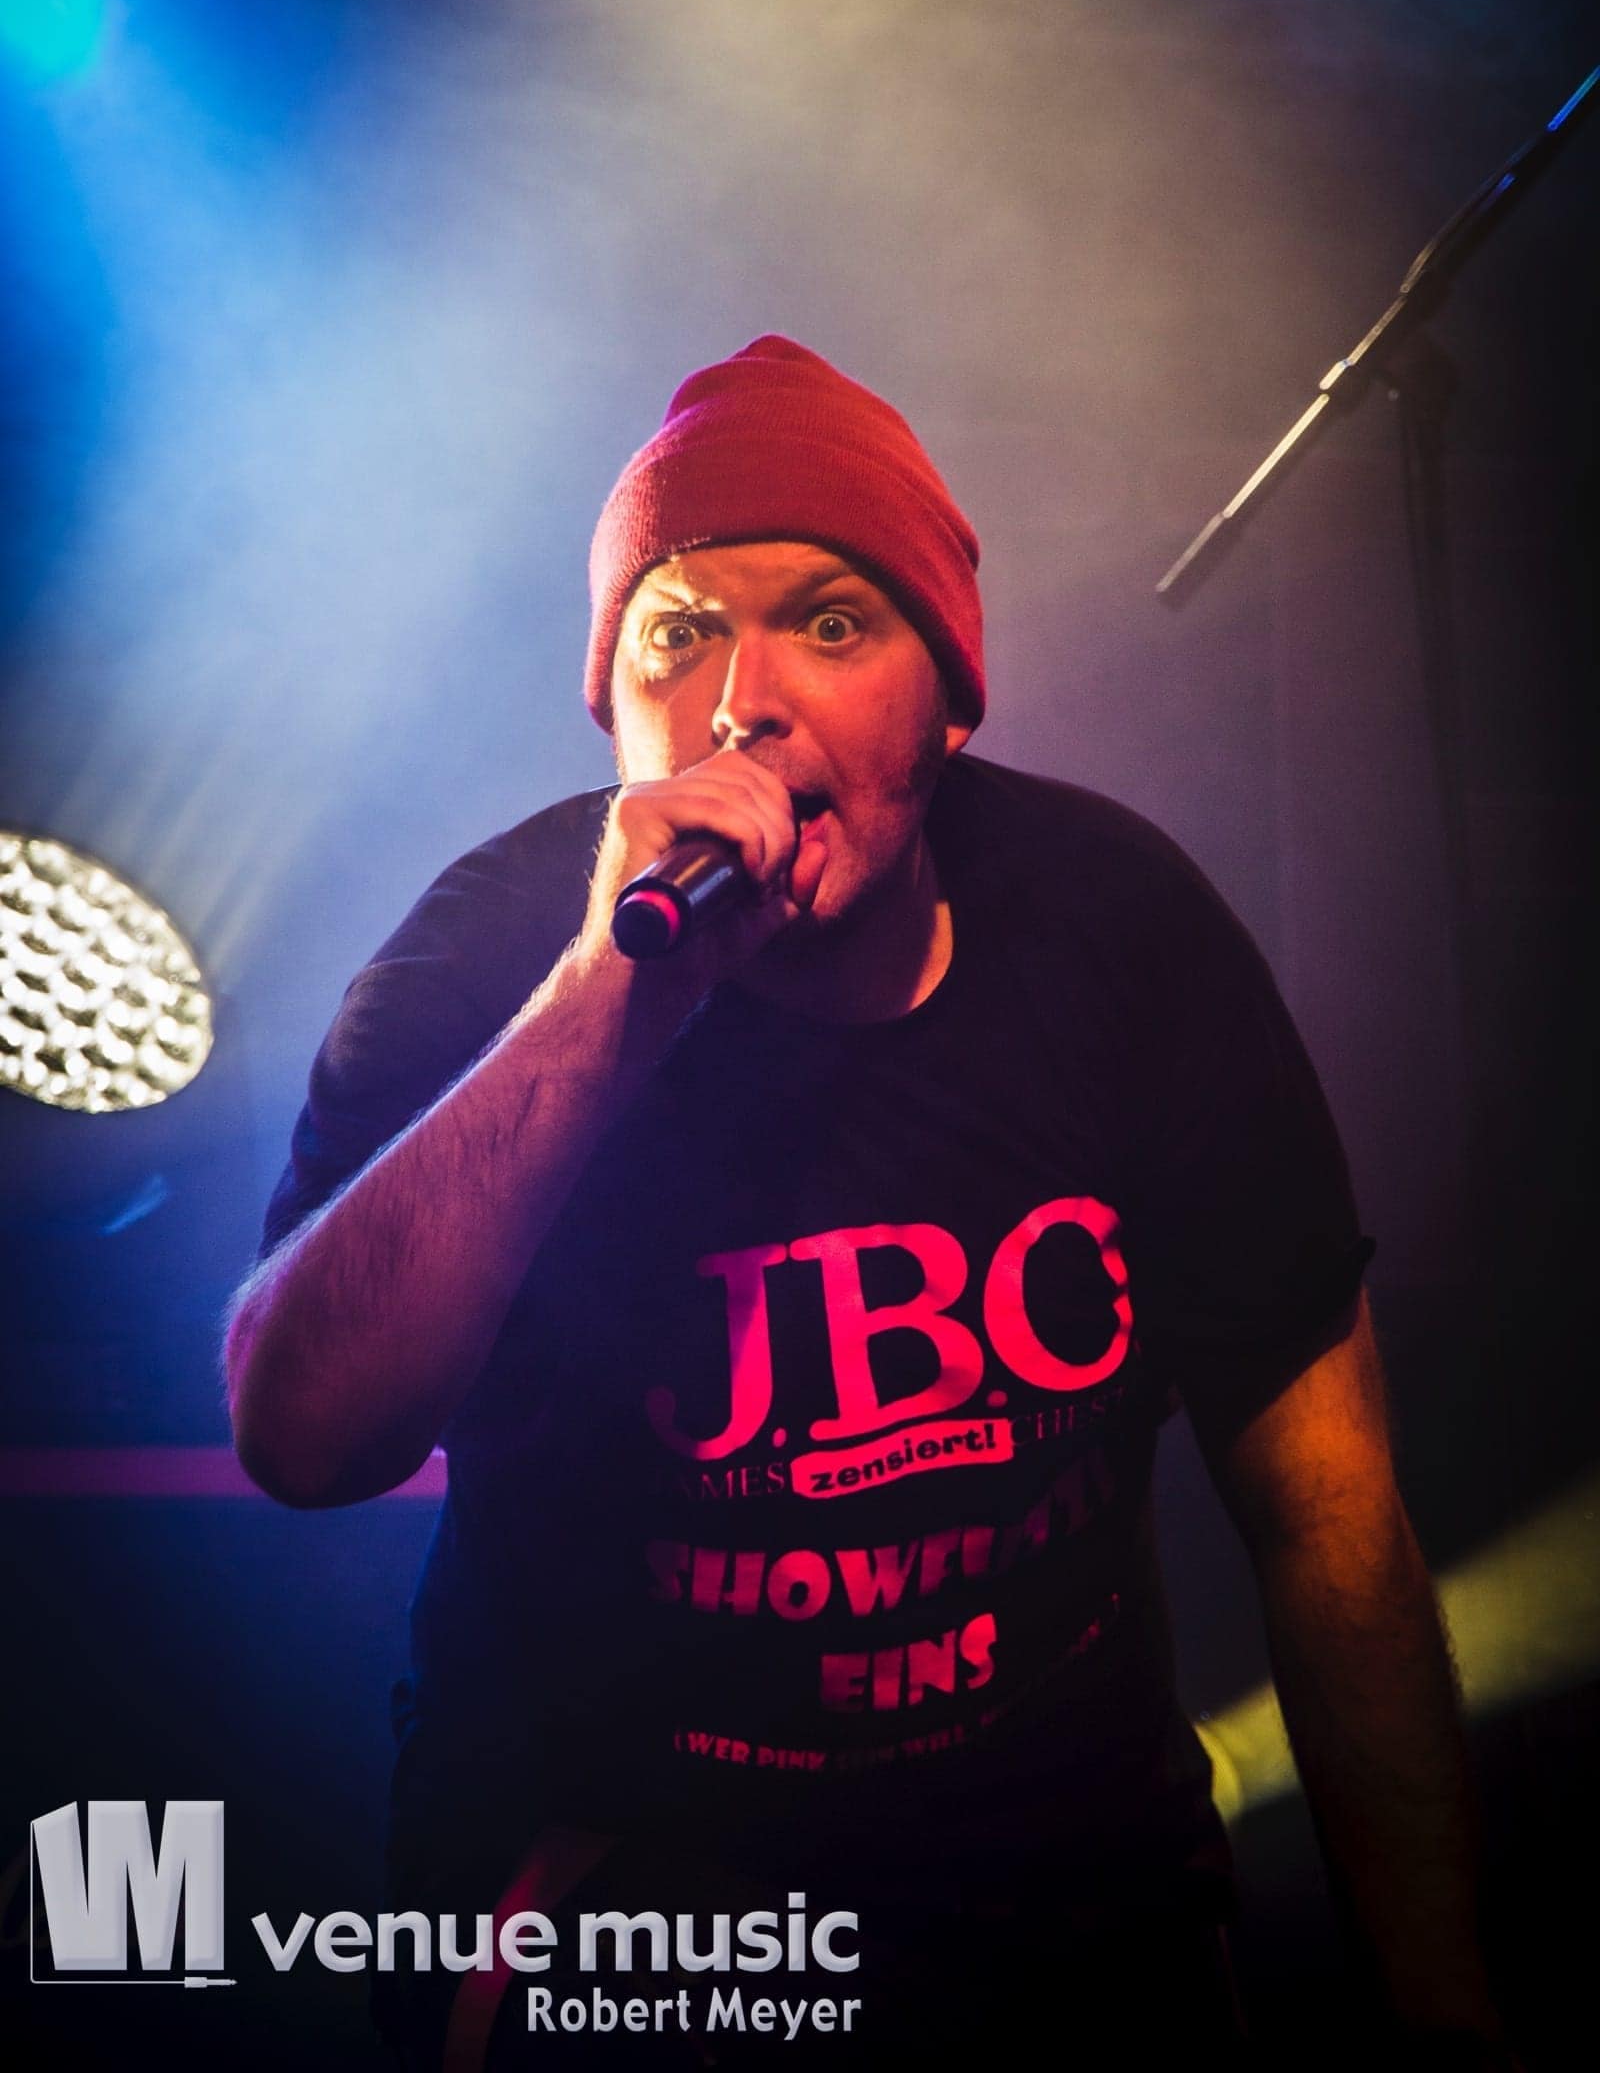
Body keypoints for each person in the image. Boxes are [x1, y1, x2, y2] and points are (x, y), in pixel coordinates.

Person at [227, 336, 1513, 2069]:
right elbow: (301, 1434)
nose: (742, 700)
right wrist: (608, 1001)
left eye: (832, 624)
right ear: (614, 707)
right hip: (626, 1889)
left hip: (1066, 1875)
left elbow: (1327, 1515)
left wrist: (1441, 2022)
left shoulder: (1118, 933)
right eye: (679, 633)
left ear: (951, 701)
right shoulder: (486, 964)